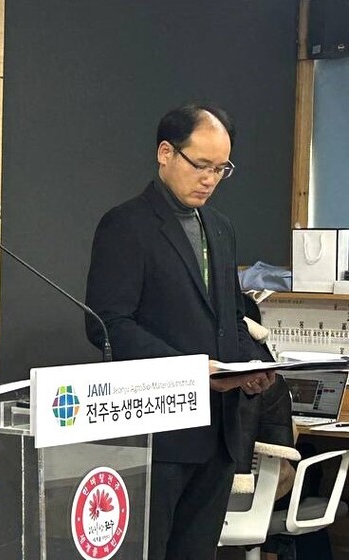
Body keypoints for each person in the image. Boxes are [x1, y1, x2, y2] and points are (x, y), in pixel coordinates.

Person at [84, 104, 276, 560]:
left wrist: (252, 366)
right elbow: (108, 325)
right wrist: (190, 370)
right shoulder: (126, 225)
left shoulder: (221, 228)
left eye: (221, 169)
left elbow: (230, 315)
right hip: (158, 434)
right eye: (201, 165)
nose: (210, 179)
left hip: (219, 433)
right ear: (166, 153)